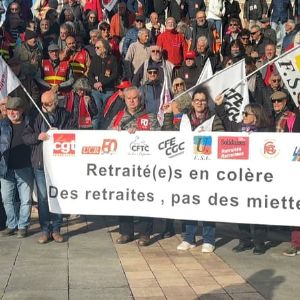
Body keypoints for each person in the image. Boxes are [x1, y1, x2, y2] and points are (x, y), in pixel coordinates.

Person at [163, 87, 224, 253]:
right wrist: (168, 114)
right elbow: (169, 135)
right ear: (192, 102)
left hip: (207, 169)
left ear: (207, 102)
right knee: (189, 202)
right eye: (197, 100)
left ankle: (209, 239)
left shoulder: (214, 119)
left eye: (203, 100)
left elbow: (221, 138)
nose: (200, 103)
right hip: (187, 169)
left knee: (207, 204)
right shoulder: (184, 119)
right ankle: (189, 238)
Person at [214, 94, 270, 254]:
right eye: (243, 113)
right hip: (241, 177)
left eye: (246, 114)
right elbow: (226, 121)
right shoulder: (239, 128)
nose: (243, 116)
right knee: (242, 210)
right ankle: (244, 240)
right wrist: (220, 105)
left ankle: (259, 243)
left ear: (256, 117)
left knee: (257, 210)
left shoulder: (266, 131)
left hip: (258, 178)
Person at [109, 86, 160, 246]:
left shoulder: (149, 116)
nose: (131, 101)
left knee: (144, 199)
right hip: (123, 168)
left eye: (135, 98)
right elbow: (106, 135)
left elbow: (158, 137)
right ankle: (126, 232)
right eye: (128, 98)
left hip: (144, 167)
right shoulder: (118, 116)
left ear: (140, 99)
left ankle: (145, 234)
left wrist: (138, 132)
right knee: (124, 198)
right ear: (124, 99)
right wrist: (114, 131)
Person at [23, 90, 76, 244]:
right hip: (40, 162)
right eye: (43, 103)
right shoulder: (34, 115)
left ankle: (57, 229)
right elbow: (26, 137)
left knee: (57, 195)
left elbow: (75, 131)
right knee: (43, 197)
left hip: (59, 163)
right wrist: (37, 136)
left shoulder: (65, 114)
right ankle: (45, 230)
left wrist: (60, 134)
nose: (44, 106)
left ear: (56, 102)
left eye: (48, 103)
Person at [0, 96, 33, 238]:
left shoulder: (30, 123)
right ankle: (11, 225)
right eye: (9, 110)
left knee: (26, 199)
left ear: (21, 110)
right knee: (7, 199)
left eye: (15, 110)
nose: (11, 113)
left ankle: (23, 226)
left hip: (25, 166)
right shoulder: (2, 124)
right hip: (5, 168)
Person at [87, 38, 118, 129]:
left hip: (108, 91)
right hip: (96, 91)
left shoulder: (112, 59)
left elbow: (114, 74)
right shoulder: (95, 58)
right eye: (95, 47)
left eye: (98, 47)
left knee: (108, 114)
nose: (95, 49)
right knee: (97, 115)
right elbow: (90, 74)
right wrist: (94, 84)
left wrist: (102, 83)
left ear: (104, 48)